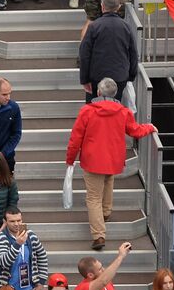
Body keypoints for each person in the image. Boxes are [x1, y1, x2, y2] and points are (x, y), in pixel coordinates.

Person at [66, 79, 157, 249]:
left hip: (92, 159)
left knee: (93, 197)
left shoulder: (87, 111)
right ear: (116, 94)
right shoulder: (123, 112)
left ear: (98, 93)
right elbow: (135, 131)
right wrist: (149, 127)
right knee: (108, 183)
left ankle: (99, 235)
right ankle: (106, 213)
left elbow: (76, 138)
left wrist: (70, 159)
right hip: (113, 159)